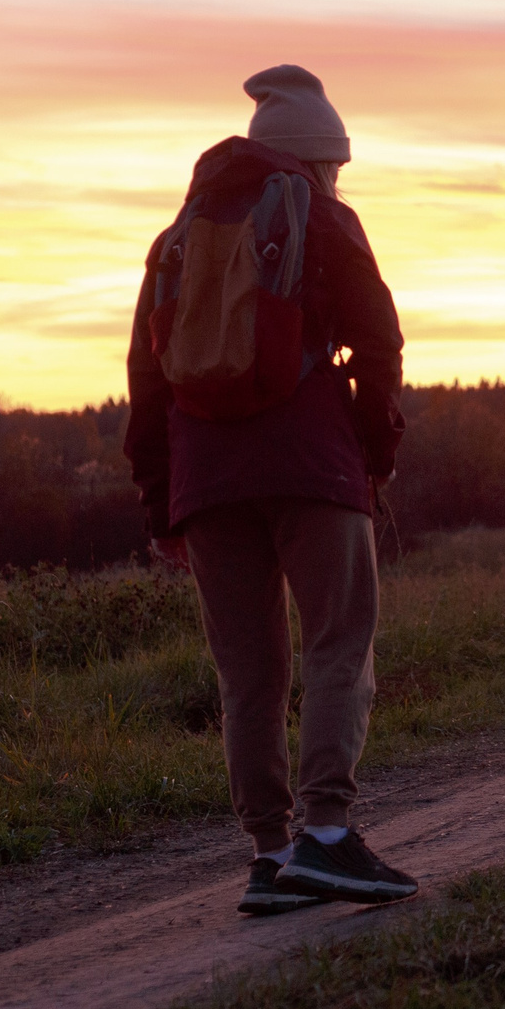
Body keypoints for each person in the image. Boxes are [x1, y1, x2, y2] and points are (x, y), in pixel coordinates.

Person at [125, 64, 419, 916]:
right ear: (317, 160)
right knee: (339, 643)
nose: (337, 178)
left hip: (204, 481)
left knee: (247, 674)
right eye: (336, 164)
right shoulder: (323, 218)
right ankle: (327, 835)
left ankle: (269, 850)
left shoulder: (178, 237)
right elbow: (379, 339)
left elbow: (146, 379)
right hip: (310, 464)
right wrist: (373, 454)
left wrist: (162, 501)